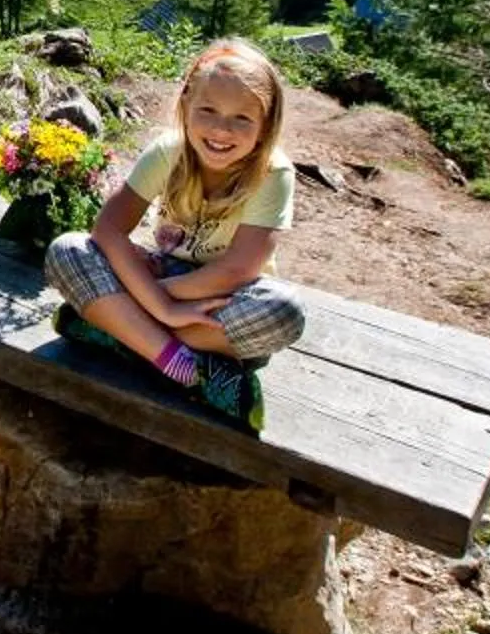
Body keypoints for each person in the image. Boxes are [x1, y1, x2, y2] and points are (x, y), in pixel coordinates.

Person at [44, 36, 307, 430]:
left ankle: (120, 331)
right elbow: (108, 229)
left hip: (221, 298)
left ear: (266, 124)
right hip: (164, 279)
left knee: (284, 311)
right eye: (208, 110)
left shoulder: (273, 173)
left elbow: (237, 269)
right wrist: (163, 307)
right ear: (185, 105)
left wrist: (149, 299)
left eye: (242, 118)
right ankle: (185, 365)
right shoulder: (169, 151)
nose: (221, 129)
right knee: (68, 249)